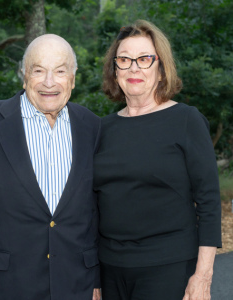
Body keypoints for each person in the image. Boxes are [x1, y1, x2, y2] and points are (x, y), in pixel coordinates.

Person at [0, 34, 101, 300]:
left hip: (77, 285)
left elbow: (97, 211)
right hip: (6, 285)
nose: (49, 82)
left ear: (73, 78)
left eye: (60, 71)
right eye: (38, 70)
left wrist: (97, 278)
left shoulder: (92, 127)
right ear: (24, 75)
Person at [93, 20, 222, 300]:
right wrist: (93, 278)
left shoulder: (186, 120)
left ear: (161, 70)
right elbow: (90, 208)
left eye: (144, 59)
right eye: (124, 60)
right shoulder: (100, 129)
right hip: (110, 270)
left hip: (169, 269)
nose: (134, 68)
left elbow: (209, 202)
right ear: (115, 72)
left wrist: (203, 276)